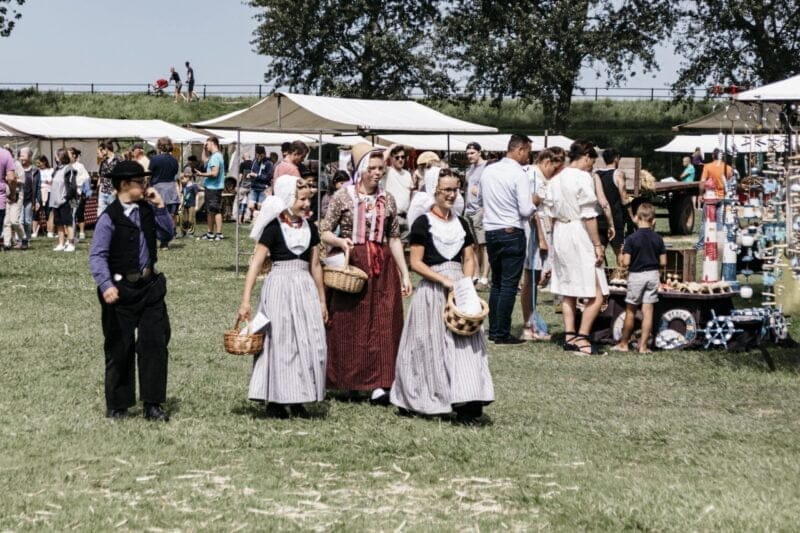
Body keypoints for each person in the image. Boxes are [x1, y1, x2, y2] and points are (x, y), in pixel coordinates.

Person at [390, 168, 494, 422]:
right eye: (446, 189)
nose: (451, 194)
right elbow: (416, 262)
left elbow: (469, 257)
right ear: (435, 191)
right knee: (428, 343)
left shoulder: (461, 222)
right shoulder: (422, 223)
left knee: (464, 343)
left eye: (455, 189)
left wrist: (464, 282)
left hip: (459, 288)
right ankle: (421, 397)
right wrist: (444, 280)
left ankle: (467, 398)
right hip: (433, 289)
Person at [320, 143, 412, 405]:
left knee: (384, 322)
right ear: (360, 170)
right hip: (354, 263)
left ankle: (380, 383)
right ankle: (348, 380)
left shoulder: (388, 199)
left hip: (382, 266)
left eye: (380, 169)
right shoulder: (343, 197)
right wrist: (339, 243)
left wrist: (404, 273)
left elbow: (394, 239)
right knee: (350, 322)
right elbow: (325, 230)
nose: (376, 173)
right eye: (371, 168)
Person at [89, 161, 174, 420]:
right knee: (119, 346)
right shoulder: (109, 218)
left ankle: (152, 403)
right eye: (140, 182)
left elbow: (168, 235)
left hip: (149, 288)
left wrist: (160, 208)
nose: (145, 186)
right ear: (125, 185)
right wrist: (106, 285)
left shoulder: (148, 210)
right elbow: (97, 255)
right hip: (120, 289)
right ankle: (118, 404)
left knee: (154, 345)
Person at [239, 175, 328, 418]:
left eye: (309, 199)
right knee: (280, 341)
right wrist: (246, 300)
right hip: (279, 286)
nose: (307, 204)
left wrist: (321, 300)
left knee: (307, 340)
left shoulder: (310, 228)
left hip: (304, 287)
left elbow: (316, 265)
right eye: (302, 199)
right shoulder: (273, 227)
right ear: (290, 198)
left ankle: (300, 395)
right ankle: (277, 399)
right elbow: (256, 263)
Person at [544, 140, 609, 355]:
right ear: (586, 157)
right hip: (578, 232)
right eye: (591, 161)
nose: (591, 166)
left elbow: (550, 215)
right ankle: (582, 337)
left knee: (568, 289)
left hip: (561, 233)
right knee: (596, 291)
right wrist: (597, 244)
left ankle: (569, 335)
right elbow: (588, 215)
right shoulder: (583, 177)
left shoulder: (556, 178)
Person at [480, 134, 535, 344]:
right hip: (511, 230)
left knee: (497, 283)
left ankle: (494, 329)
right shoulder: (518, 174)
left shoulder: (489, 170)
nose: (528, 157)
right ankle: (502, 332)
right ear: (520, 150)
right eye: (528, 152)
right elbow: (524, 208)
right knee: (509, 285)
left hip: (492, 230)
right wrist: (535, 203)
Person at [520, 148, 565, 341]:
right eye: (555, 168)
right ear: (546, 161)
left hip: (546, 230)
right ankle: (528, 325)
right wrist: (541, 237)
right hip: (535, 233)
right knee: (530, 278)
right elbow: (531, 208)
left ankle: (533, 323)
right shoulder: (532, 176)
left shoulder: (545, 178)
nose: (556, 173)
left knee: (537, 278)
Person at [613, 203, 666, 353]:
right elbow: (663, 262)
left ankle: (624, 343)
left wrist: (623, 254)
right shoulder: (658, 239)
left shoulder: (631, 239)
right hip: (653, 275)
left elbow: (626, 262)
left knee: (631, 310)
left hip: (636, 276)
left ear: (637, 218)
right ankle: (643, 346)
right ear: (653, 220)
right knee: (648, 311)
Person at [594, 147, 629, 263]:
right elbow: (624, 198)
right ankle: (621, 277)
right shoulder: (618, 174)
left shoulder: (597, 174)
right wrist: (631, 214)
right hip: (615, 217)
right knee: (619, 251)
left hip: (599, 217)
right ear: (616, 158)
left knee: (599, 249)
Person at [463, 142, 490, 290]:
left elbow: (492, 188)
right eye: (468, 153)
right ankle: (476, 275)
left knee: (484, 245)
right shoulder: (470, 170)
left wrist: (482, 198)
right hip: (469, 211)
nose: (469, 156)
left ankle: (485, 278)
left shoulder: (486, 168)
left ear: (479, 152)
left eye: (472, 153)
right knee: (473, 245)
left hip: (481, 210)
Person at [695, 148, 733, 250]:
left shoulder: (708, 167)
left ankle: (701, 245)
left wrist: (700, 194)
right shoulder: (728, 168)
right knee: (720, 222)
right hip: (722, 198)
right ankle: (719, 244)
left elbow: (702, 182)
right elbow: (730, 184)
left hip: (710, 197)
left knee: (705, 221)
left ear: (713, 156)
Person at [148, 137, 180, 248]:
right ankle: (166, 241)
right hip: (171, 189)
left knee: (157, 215)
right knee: (170, 215)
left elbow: (150, 174)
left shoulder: (154, 159)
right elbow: (175, 174)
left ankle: (157, 238)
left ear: (159, 146)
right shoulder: (174, 160)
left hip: (158, 190)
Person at [195, 136, 225, 241]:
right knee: (210, 210)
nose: (206, 146)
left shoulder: (216, 157)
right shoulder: (215, 156)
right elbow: (204, 160)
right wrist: (203, 149)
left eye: (207, 144)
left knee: (215, 210)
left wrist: (201, 174)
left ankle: (219, 234)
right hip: (212, 187)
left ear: (212, 143)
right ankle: (210, 233)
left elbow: (215, 173)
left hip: (214, 188)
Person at [383, 144, 414, 238]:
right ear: (391, 158)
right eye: (397, 157)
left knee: (404, 248)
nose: (400, 159)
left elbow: (411, 194)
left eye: (403, 157)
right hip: (391, 216)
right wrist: (391, 148)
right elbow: (380, 161)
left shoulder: (407, 174)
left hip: (405, 217)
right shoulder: (387, 171)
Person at [49, 151, 77, 252]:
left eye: (56, 156)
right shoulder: (57, 169)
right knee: (59, 223)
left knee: (68, 223)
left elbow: (73, 186)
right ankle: (61, 243)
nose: (55, 158)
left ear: (61, 157)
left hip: (65, 201)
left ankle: (71, 244)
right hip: (55, 201)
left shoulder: (69, 169)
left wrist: (66, 198)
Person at [18, 148, 41, 250]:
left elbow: (38, 187)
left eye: (23, 155)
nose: (21, 157)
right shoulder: (16, 168)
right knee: (19, 221)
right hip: (18, 198)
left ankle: (27, 239)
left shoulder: (35, 170)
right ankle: (20, 240)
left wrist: (37, 200)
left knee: (27, 221)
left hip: (29, 199)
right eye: (20, 155)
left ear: (30, 157)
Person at [67, 147, 91, 241]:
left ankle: (81, 232)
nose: (67, 156)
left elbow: (86, 178)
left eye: (69, 154)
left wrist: (86, 190)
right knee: (72, 213)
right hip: (71, 194)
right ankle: (73, 233)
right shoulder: (67, 166)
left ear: (74, 155)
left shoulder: (80, 166)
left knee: (79, 213)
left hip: (78, 193)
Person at [248, 146, 273, 221]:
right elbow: (251, 171)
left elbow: (268, 177)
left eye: (260, 155)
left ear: (264, 154)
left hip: (263, 188)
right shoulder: (254, 161)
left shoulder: (269, 163)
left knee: (260, 206)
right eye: (257, 155)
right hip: (254, 187)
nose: (259, 157)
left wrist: (257, 175)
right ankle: (256, 218)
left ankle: (258, 220)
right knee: (251, 206)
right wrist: (249, 175)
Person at [97, 140, 120, 215]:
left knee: (113, 215)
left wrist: (116, 190)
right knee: (101, 215)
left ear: (106, 149)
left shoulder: (119, 159)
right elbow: (101, 175)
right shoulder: (103, 161)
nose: (101, 152)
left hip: (113, 192)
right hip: (103, 192)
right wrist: (100, 187)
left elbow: (122, 176)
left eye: (101, 150)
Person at [35, 155, 52, 238]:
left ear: (44, 162)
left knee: (48, 212)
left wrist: (46, 182)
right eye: (37, 163)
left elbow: (51, 181)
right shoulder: (36, 171)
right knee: (36, 211)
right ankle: (35, 231)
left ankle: (50, 231)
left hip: (48, 192)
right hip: (38, 192)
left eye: (39, 163)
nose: (38, 165)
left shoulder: (50, 170)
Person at [178, 168, 198, 237]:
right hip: (185, 205)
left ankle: (191, 232)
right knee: (183, 219)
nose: (183, 178)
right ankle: (183, 232)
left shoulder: (194, 185)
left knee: (191, 219)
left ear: (189, 177)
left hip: (192, 205)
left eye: (184, 177)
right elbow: (182, 194)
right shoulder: (184, 185)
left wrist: (197, 205)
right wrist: (181, 204)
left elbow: (197, 195)